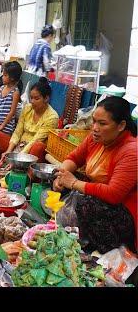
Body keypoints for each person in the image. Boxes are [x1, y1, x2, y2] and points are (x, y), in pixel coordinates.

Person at [52, 96, 137, 253]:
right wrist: (61, 176)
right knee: (58, 179)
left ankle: (101, 249)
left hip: (123, 213)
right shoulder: (95, 138)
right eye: (94, 121)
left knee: (88, 205)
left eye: (102, 123)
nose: (95, 128)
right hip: (96, 195)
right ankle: (78, 231)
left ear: (121, 125)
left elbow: (114, 194)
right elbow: (74, 158)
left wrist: (73, 183)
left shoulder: (131, 151)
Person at [0, 77, 59, 164]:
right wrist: (9, 151)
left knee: (38, 146)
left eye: (36, 98)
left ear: (46, 99)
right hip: (19, 145)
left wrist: (17, 158)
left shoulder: (52, 117)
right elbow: (18, 132)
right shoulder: (28, 108)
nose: (32, 101)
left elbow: (36, 140)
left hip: (32, 152)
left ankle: (29, 177)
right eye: (31, 98)